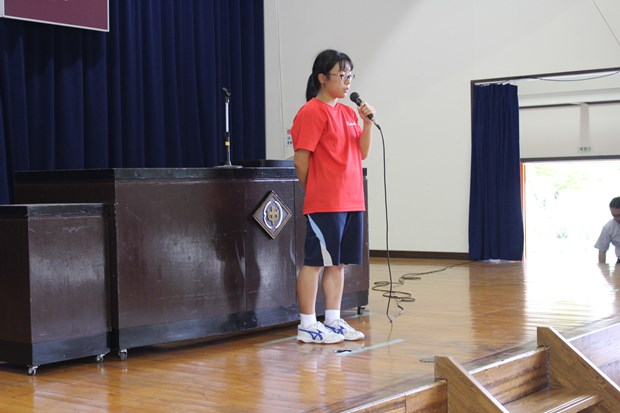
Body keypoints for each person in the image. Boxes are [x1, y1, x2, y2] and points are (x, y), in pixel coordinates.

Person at [290, 49, 376, 344]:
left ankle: (334, 319)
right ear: (322, 78)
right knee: (315, 262)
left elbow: (362, 152)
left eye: (350, 76)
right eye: (342, 75)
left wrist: (367, 123)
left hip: (352, 199)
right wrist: (315, 190)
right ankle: (307, 324)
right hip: (326, 201)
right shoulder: (311, 112)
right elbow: (301, 160)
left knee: (337, 263)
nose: (348, 81)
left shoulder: (349, 113)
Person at [595, 196, 620, 265]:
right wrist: (602, 269)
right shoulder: (608, 228)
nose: (618, 219)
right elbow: (602, 250)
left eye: (619, 215)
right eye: (614, 216)